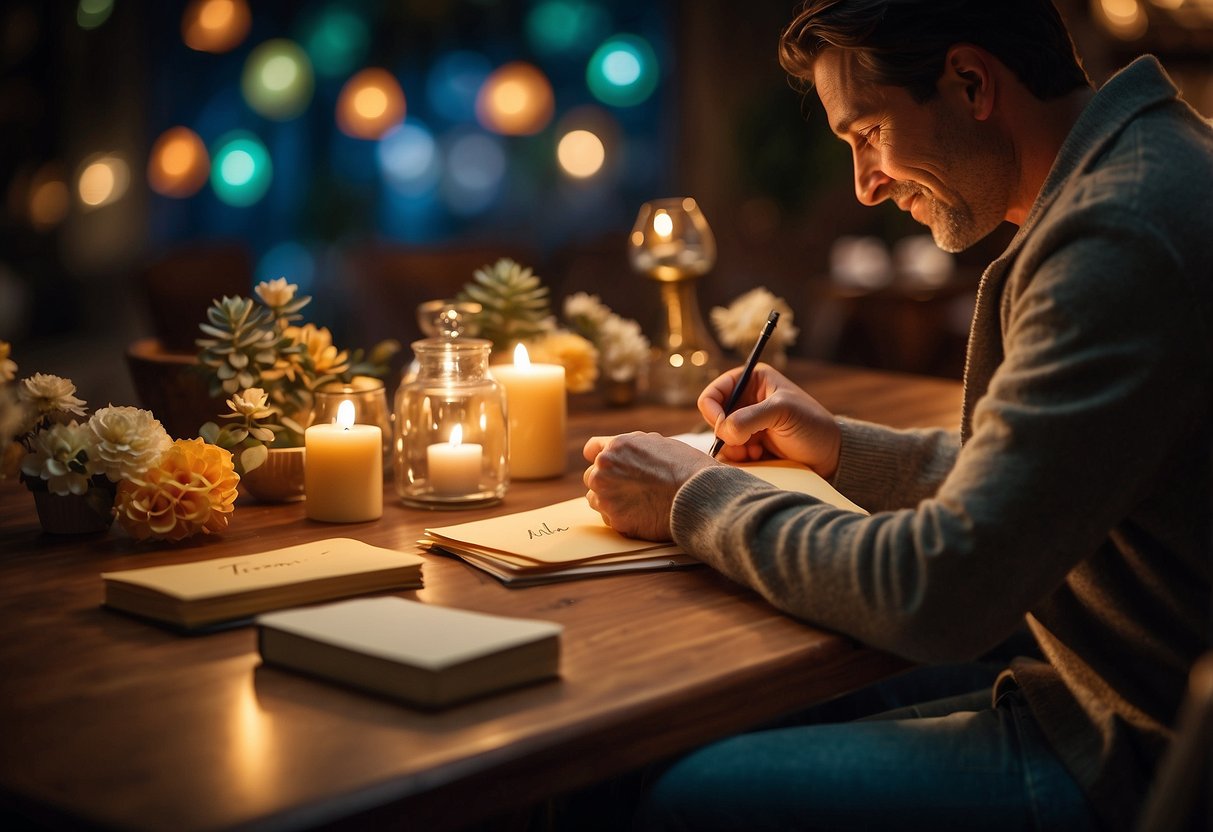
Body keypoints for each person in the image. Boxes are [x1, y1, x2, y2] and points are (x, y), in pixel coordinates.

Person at [581, 1, 1213, 829]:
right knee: (660, 741)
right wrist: (839, 450)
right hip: (1105, 680)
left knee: (686, 796)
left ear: (969, 82)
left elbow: (942, 589)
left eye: (867, 132)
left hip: (1145, 754)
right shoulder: (1150, 163)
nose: (864, 181)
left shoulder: (1116, 232)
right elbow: (1049, 482)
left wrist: (692, 497)